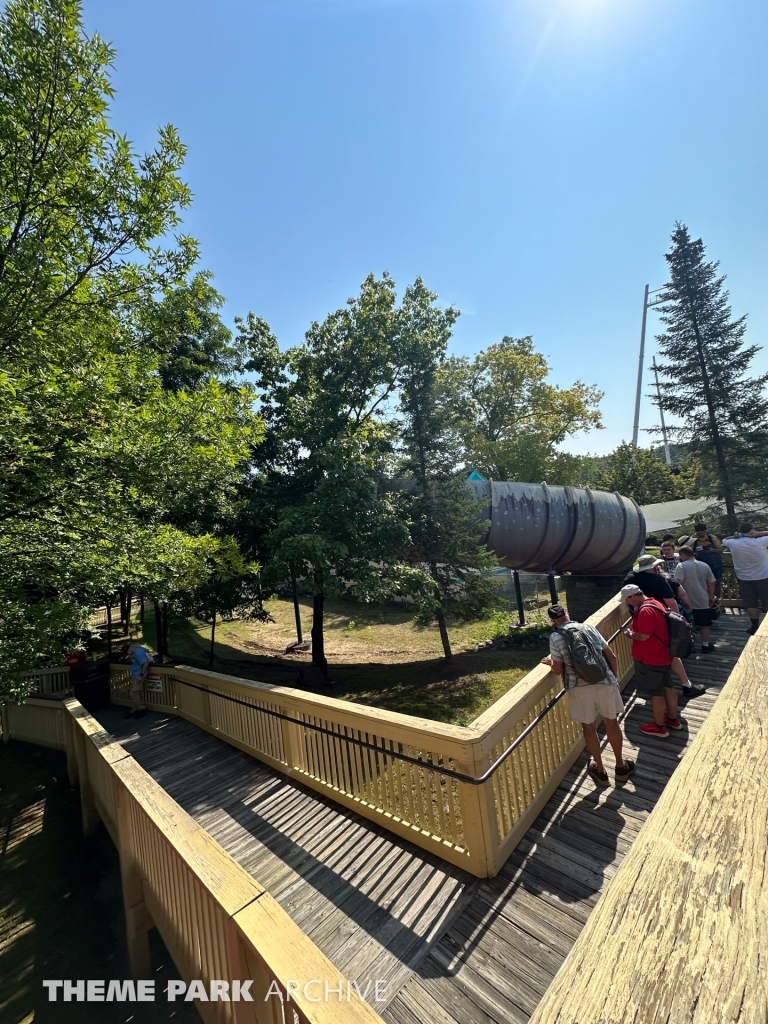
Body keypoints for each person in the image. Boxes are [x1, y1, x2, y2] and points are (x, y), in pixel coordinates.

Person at [541, 605, 635, 787]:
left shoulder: (556, 637)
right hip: (604, 680)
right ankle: (621, 766)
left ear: (553, 622)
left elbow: (558, 669)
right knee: (611, 722)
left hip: (578, 687)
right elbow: (612, 656)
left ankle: (600, 770)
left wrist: (551, 661)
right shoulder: (589, 628)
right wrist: (612, 680)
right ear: (568, 614)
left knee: (589, 727)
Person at [621, 584, 682, 738]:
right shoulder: (655, 603)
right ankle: (673, 719)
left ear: (632, 596)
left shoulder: (645, 611)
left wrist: (630, 634)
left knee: (656, 693)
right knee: (668, 686)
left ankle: (659, 727)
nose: (627, 603)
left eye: (627, 600)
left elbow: (643, 635)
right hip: (664, 655)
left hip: (650, 658)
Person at [725, 523, 768, 634]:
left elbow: (724, 540)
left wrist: (736, 536)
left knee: (751, 604)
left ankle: (754, 627)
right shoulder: (760, 541)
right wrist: (759, 533)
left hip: (744, 578)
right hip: (763, 576)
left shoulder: (733, 543)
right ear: (752, 531)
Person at [675, 546, 716, 652]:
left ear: (683, 554)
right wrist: (711, 596)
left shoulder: (681, 566)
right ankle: (705, 645)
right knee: (704, 624)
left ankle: (690, 646)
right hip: (703, 599)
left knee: (687, 624)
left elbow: (678, 583)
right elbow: (711, 582)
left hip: (687, 601)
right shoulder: (704, 565)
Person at [686, 523, 724, 601]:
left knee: (717, 584)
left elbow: (721, 549)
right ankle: (706, 603)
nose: (701, 534)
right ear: (696, 531)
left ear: (706, 530)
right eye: (699, 533)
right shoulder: (692, 540)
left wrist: (712, 550)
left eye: (703, 533)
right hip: (700, 564)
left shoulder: (712, 538)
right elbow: (688, 551)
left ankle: (718, 603)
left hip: (714, 564)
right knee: (702, 584)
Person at [126, 643, 150, 719]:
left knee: (133, 693)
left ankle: (142, 709)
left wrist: (141, 675)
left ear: (129, 649)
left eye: (128, 653)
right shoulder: (136, 647)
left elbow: (146, 663)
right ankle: (135, 709)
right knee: (136, 693)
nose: (128, 655)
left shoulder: (138, 652)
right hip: (135, 675)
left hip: (139, 676)